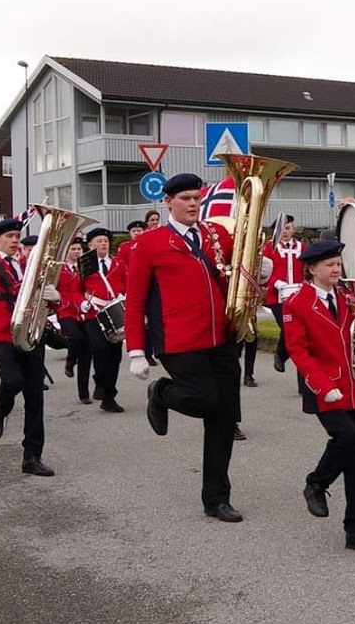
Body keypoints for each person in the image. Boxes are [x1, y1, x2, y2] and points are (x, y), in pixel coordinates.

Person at [127, 173, 246, 521]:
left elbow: (236, 270)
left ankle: (216, 499)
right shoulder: (149, 243)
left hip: (221, 337)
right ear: (168, 202)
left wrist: (260, 271)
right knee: (203, 400)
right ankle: (161, 392)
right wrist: (136, 350)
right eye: (185, 198)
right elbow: (135, 300)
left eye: (196, 197)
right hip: (178, 340)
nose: (193, 203)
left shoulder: (215, 234)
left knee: (224, 417)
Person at [283, 239, 355, 553]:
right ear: (312, 269)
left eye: (338, 263)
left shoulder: (347, 296)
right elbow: (299, 351)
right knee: (348, 439)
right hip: (323, 388)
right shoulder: (296, 302)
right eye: (330, 265)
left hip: (350, 384)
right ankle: (317, 482)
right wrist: (324, 386)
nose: (337, 269)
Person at [0, 218, 58, 476]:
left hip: (30, 335)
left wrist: (55, 298)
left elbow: (42, 302)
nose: (15, 240)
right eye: (9, 236)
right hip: (0, 336)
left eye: (17, 236)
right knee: (12, 381)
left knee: (35, 398)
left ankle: (32, 457)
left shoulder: (28, 266)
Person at [248, 215, 301, 387]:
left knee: (298, 331)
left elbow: (308, 269)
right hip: (276, 296)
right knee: (287, 326)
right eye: (282, 229)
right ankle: (281, 353)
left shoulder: (302, 247)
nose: (285, 232)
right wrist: (276, 283)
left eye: (288, 228)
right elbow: (260, 272)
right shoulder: (269, 248)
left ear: (293, 229)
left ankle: (284, 356)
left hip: (298, 295)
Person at [77, 228, 125, 413]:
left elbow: (128, 283)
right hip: (94, 313)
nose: (104, 243)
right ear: (90, 245)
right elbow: (75, 289)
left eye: (105, 240)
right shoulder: (85, 265)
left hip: (116, 311)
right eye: (99, 240)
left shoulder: (119, 263)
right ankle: (100, 381)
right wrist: (82, 303)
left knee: (115, 355)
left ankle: (109, 397)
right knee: (100, 348)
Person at [56, 238, 92, 402]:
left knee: (87, 352)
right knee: (75, 338)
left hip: (84, 310)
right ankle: (70, 362)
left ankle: (84, 393)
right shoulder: (59, 268)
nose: (77, 252)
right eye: (73, 249)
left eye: (79, 249)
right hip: (66, 310)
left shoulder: (86, 268)